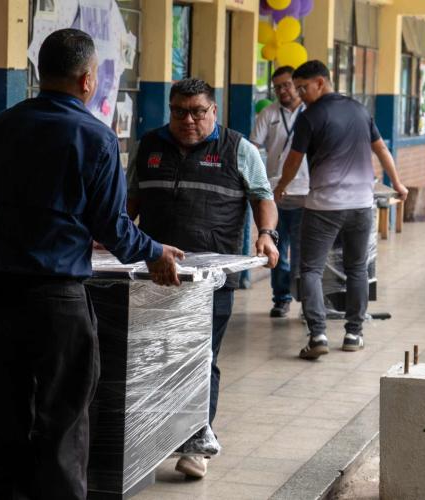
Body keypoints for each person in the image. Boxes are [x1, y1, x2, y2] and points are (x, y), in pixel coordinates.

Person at [0, 29, 184, 500]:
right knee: (64, 411)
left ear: (40, 74)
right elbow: (114, 229)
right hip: (57, 299)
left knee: (4, 405)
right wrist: (156, 252)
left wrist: (6, 240)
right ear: (88, 80)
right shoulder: (95, 137)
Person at [127, 78, 280, 479]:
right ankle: (150, 438)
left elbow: (263, 196)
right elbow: (128, 204)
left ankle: (196, 442)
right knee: (151, 357)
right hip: (152, 275)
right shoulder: (148, 147)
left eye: (198, 111)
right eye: (179, 112)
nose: (188, 120)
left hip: (211, 281)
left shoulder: (237, 148)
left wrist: (265, 234)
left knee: (201, 357)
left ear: (214, 111)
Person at [274, 60, 408, 360]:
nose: (299, 94)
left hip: (323, 207)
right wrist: (398, 183)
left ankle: (318, 334)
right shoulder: (360, 110)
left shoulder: (310, 117)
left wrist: (281, 186)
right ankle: (353, 333)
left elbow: (294, 160)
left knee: (310, 269)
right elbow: (382, 149)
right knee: (357, 268)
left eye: (303, 88)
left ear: (321, 83)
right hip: (361, 205)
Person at [251, 66, 309, 318]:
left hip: (308, 193)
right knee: (276, 250)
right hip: (276, 196)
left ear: (296, 84)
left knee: (303, 254)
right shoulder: (268, 113)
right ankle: (281, 299)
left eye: (287, 85)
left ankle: (307, 303)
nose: (283, 90)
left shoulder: (312, 112)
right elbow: (252, 148)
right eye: (277, 87)